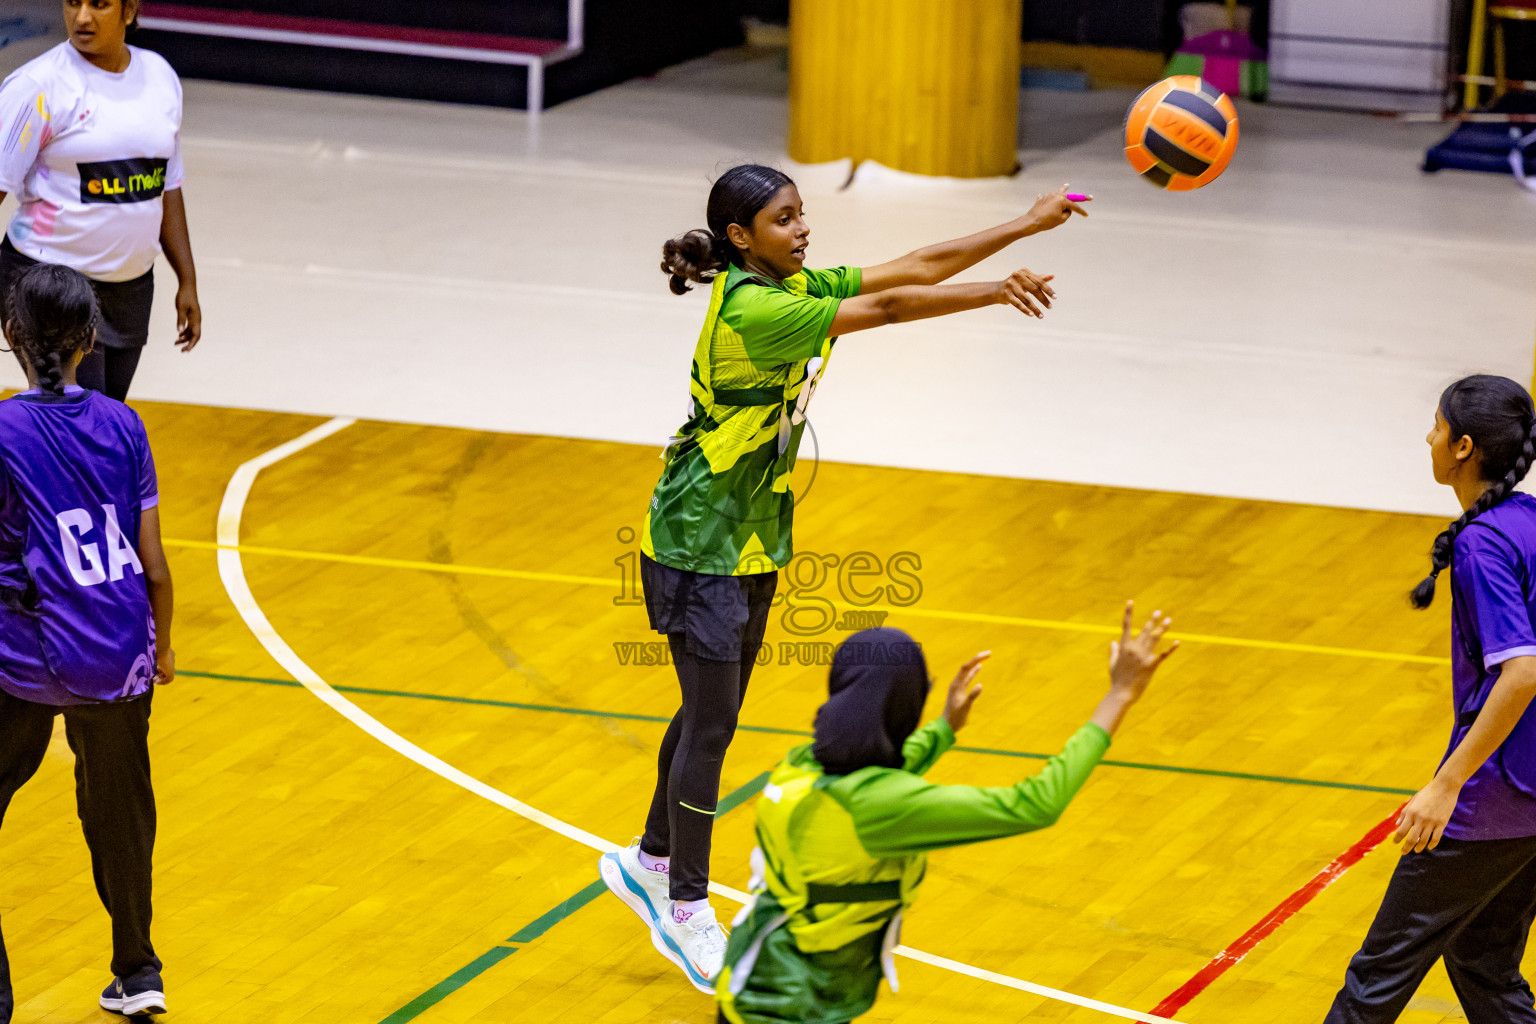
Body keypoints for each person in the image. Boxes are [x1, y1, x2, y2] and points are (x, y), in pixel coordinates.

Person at [599, 163, 1090, 992]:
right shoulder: (760, 309)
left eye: (802, 214)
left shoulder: (784, 280)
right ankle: (684, 905)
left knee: (707, 711)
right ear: (740, 238)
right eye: (785, 220)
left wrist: (1026, 224)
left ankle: (650, 859)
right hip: (696, 541)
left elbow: (912, 266)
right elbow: (893, 309)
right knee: (714, 727)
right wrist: (996, 292)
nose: (803, 230)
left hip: (748, 533)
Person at [715, 604, 1177, 1024]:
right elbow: (1035, 803)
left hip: (760, 980)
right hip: (787, 1007)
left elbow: (876, 773)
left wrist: (945, 729)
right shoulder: (878, 807)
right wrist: (1118, 696)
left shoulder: (803, 764)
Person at [1324, 374, 1536, 1023]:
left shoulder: (1484, 545)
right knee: (1482, 959)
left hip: (1491, 801)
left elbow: (1522, 671)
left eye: (1438, 427)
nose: (1429, 437)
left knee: (1376, 980)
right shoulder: (1528, 520)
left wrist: (1446, 786)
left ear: (1464, 447)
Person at [0, 262, 175, 1023]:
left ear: (13, 337)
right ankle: (138, 972)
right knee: (121, 814)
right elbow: (156, 567)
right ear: (91, 340)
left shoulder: (5, 427)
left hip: (26, 658)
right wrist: (161, 648)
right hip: (117, 650)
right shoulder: (124, 424)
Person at [0, 0, 200, 402]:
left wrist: (187, 280)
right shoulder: (37, 86)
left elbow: (166, 186)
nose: (82, 17)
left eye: (100, 4)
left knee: (106, 413)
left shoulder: (160, 77)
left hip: (130, 290)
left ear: (129, 10)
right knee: (74, 424)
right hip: (50, 283)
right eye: (73, 2)